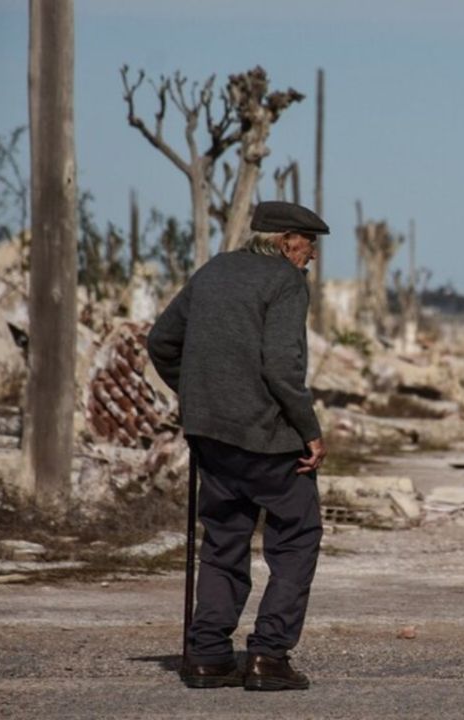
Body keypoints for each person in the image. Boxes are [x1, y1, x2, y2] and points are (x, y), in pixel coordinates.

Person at [146, 201, 329, 691]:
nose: (312, 255)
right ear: (287, 240)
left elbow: (161, 341)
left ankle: (207, 656)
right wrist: (309, 429)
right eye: (309, 244)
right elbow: (281, 367)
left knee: (224, 540)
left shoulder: (214, 271)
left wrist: (197, 394)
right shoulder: (286, 282)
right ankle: (269, 656)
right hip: (269, 439)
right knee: (297, 536)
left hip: (211, 434)